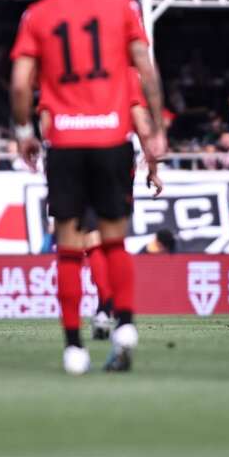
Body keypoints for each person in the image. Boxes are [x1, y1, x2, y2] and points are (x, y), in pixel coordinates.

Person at [10, 0, 167, 375]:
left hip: (65, 141)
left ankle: (74, 346)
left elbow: (22, 84)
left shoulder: (38, 14)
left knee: (68, 246)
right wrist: (157, 129)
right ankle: (127, 324)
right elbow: (145, 66)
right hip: (111, 139)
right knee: (115, 239)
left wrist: (24, 131)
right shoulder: (123, 9)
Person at [79, 67, 162, 341]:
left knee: (91, 239)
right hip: (117, 160)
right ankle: (111, 310)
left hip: (79, 157)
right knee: (112, 240)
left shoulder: (75, 67)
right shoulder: (126, 73)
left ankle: (105, 306)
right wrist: (153, 167)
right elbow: (142, 122)